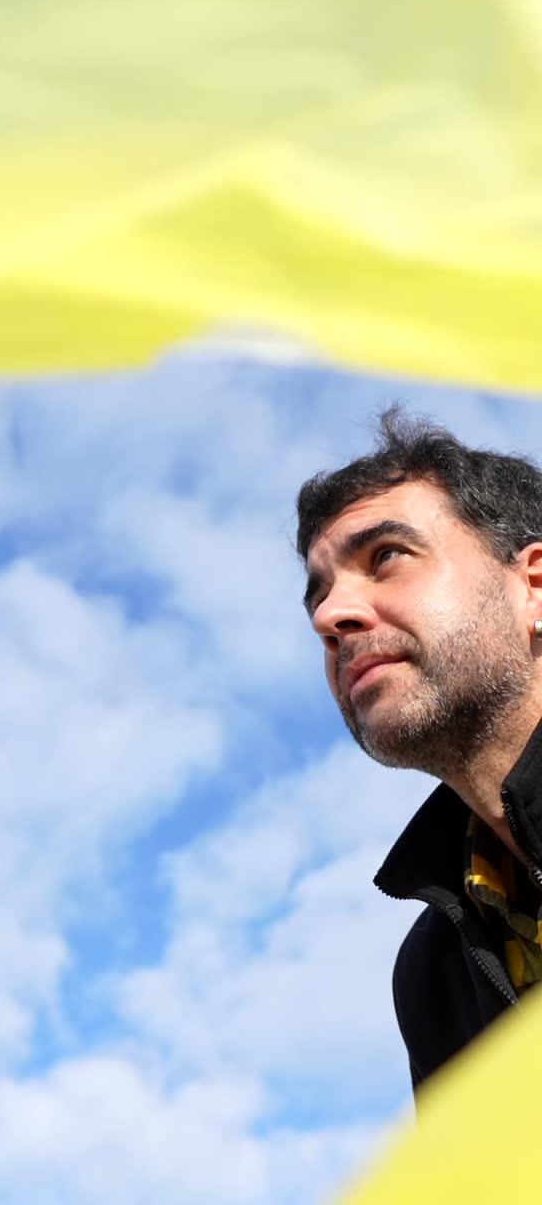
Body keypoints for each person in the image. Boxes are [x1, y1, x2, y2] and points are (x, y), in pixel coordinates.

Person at [295, 406, 542, 1093]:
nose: (329, 618)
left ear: (535, 586)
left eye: (386, 557)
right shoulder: (434, 975)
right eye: (318, 598)